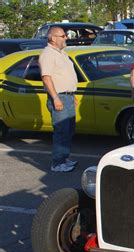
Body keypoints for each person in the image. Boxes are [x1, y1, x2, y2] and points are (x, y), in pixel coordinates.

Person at [39, 26, 78, 172]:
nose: (66, 38)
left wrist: (71, 96)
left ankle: (64, 158)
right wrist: (56, 98)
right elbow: (46, 78)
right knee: (61, 130)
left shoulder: (61, 53)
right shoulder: (48, 54)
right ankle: (57, 163)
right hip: (59, 96)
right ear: (53, 38)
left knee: (69, 130)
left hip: (67, 96)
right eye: (63, 36)